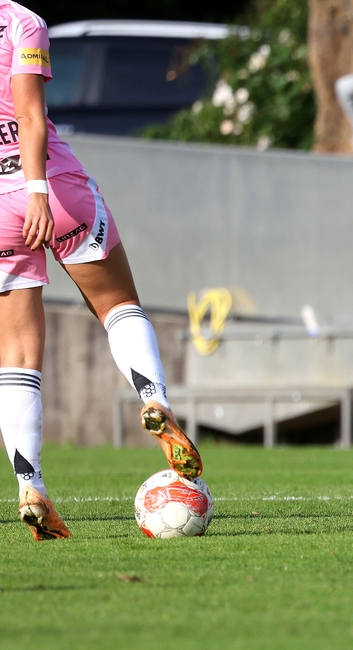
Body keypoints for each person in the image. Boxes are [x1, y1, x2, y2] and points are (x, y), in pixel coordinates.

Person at [0, 1, 202, 541]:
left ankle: (30, 484)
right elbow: (31, 116)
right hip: (53, 190)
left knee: (17, 353)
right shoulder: (21, 21)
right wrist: (38, 192)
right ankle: (153, 399)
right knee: (118, 306)